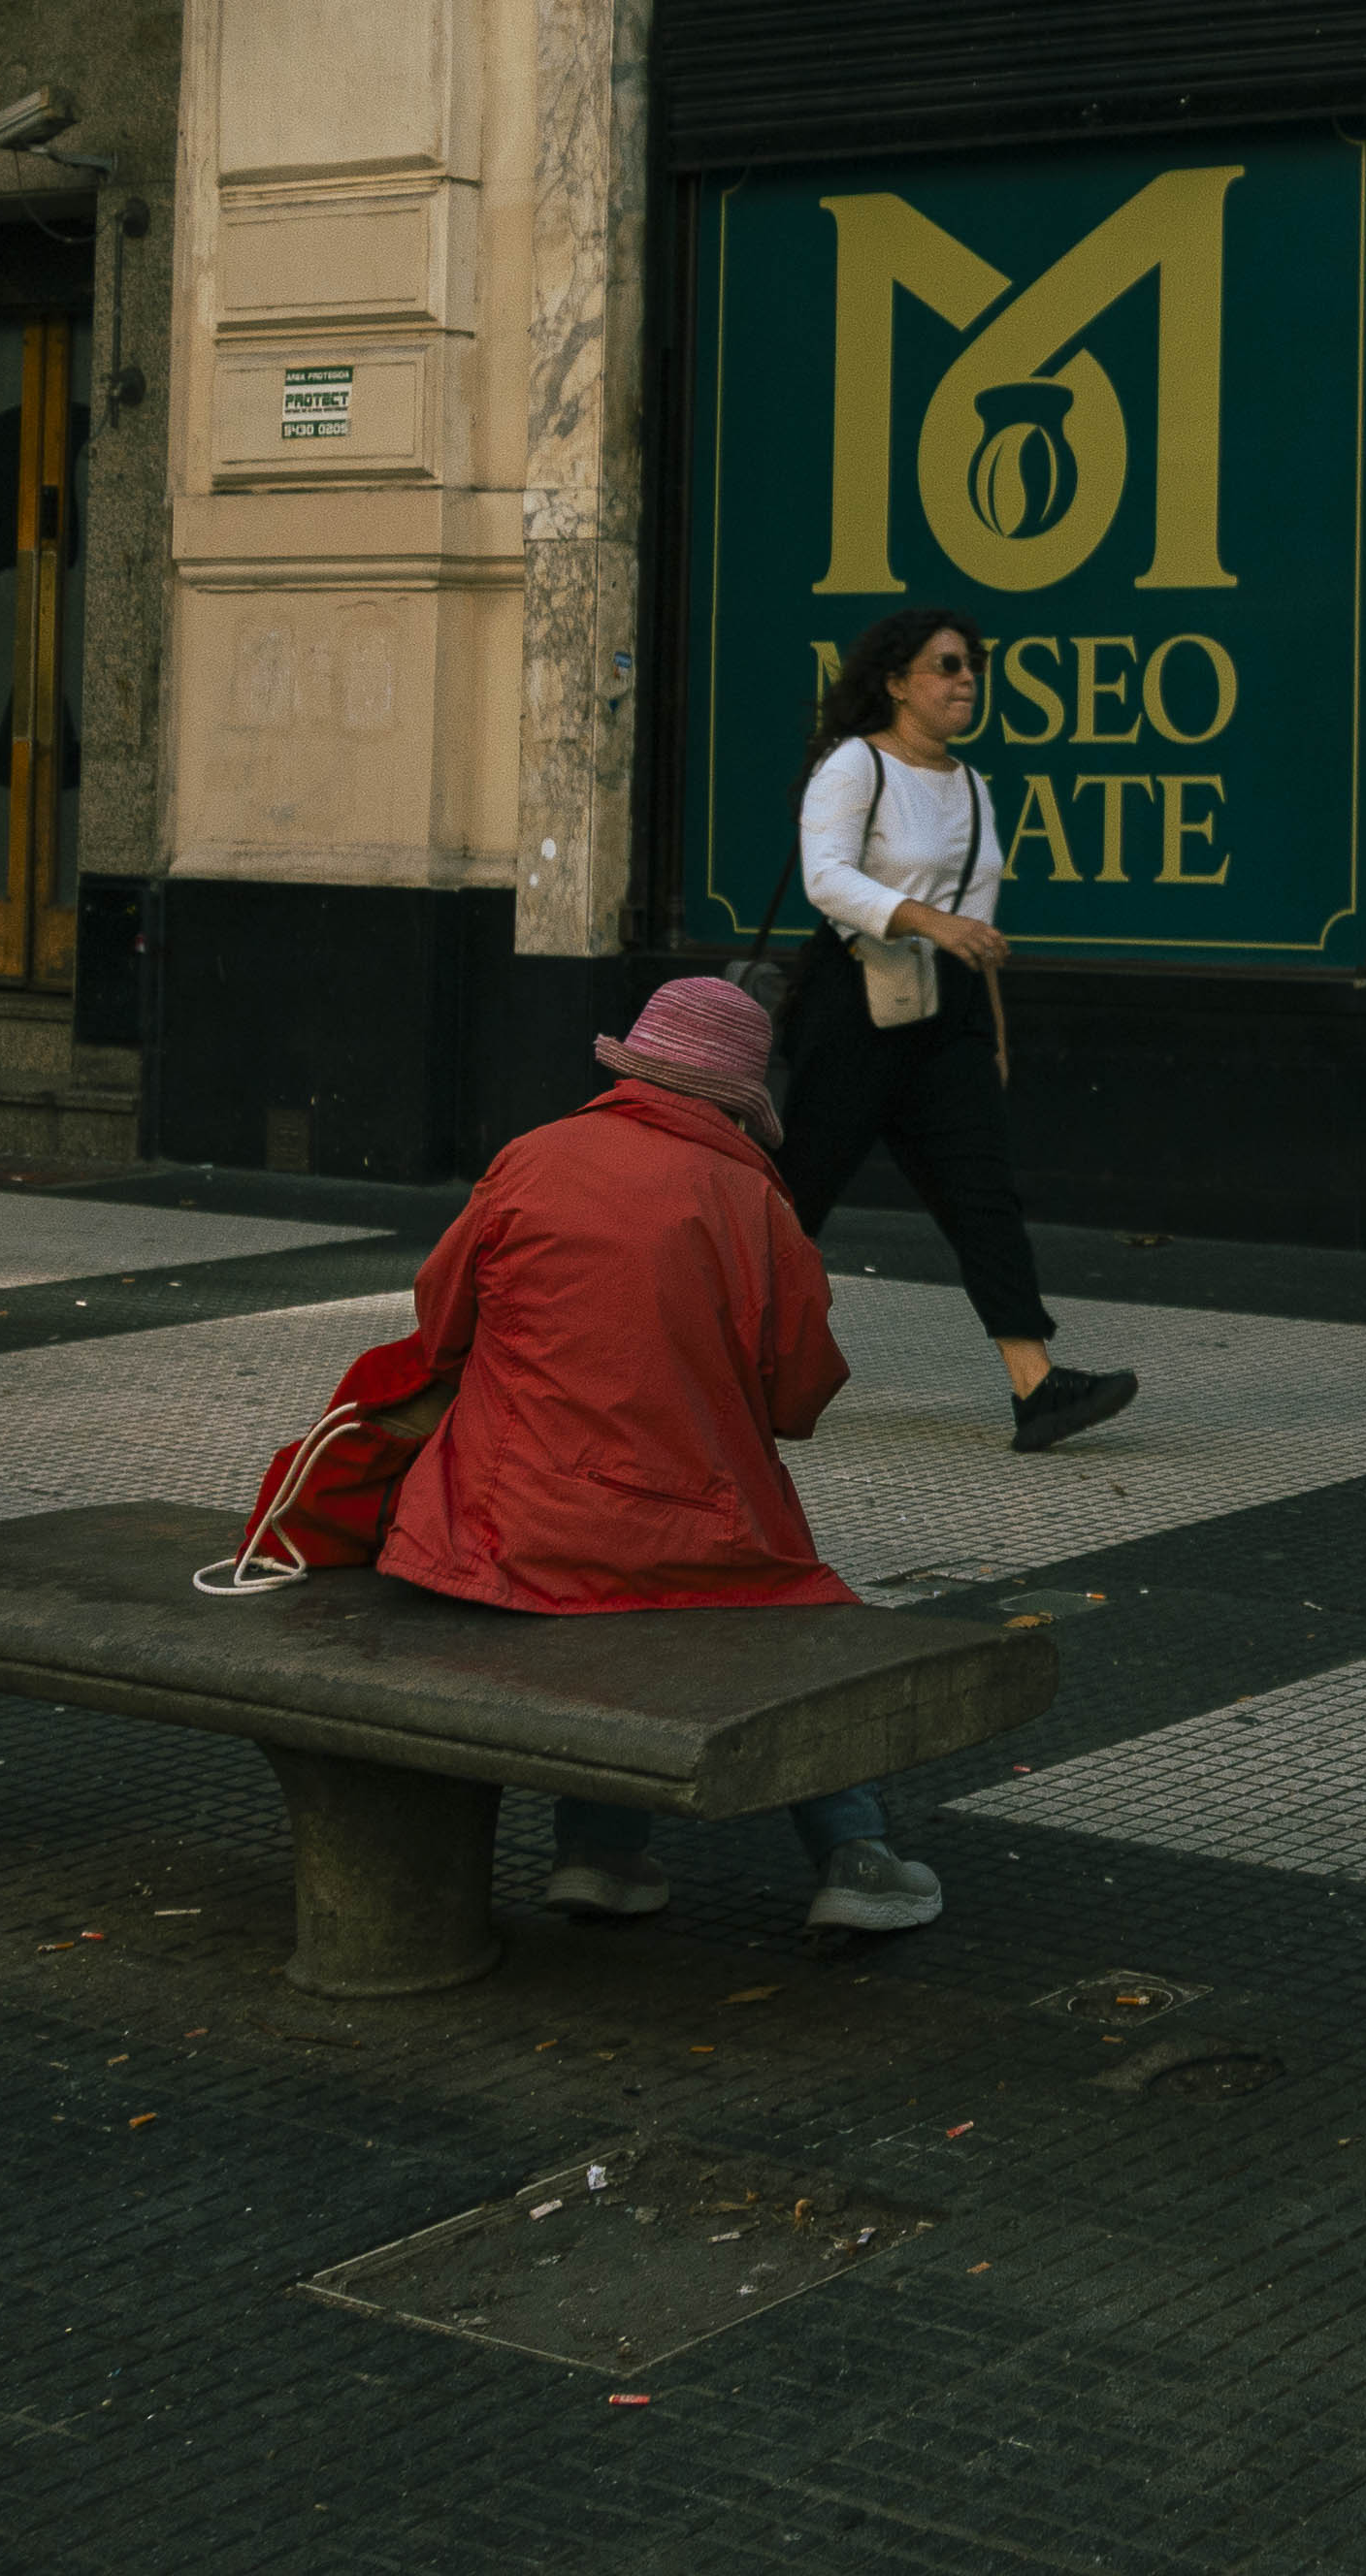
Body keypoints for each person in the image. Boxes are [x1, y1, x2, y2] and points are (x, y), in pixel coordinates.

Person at [379, 973, 943, 1935]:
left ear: (633, 1070)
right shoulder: (756, 1204)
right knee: (787, 1627)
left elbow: (439, 1322)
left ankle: (599, 1853)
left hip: (507, 1527)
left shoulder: (528, 1158)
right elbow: (799, 1395)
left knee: (594, 1595)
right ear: (736, 1103)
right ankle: (858, 1857)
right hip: (691, 1532)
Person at [773, 606, 1137, 1454]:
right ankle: (712, 1361)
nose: (966, 679)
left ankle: (1036, 1387)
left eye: (973, 665)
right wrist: (927, 921)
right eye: (946, 666)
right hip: (854, 1005)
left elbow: (978, 929)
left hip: (951, 1016)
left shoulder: (970, 784)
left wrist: (993, 1034)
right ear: (896, 683)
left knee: (984, 1196)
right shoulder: (855, 764)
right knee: (796, 1201)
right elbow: (826, 879)